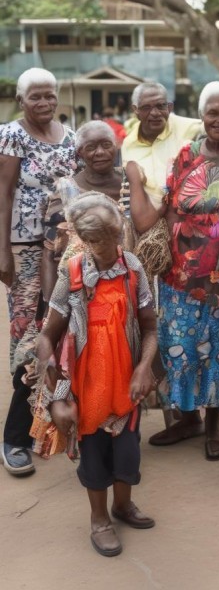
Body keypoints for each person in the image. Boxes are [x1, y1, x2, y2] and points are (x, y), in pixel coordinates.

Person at [35, 194, 157, 557]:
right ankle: (99, 519)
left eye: (114, 238)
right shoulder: (71, 274)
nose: (110, 249)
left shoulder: (133, 269)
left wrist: (144, 366)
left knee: (127, 453)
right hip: (86, 390)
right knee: (94, 458)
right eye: (99, 242)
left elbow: (150, 329)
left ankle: (122, 506)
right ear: (84, 241)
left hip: (126, 387)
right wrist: (58, 396)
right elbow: (46, 337)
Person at [146, 81, 219, 459]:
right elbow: (171, 209)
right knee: (180, 350)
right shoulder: (184, 155)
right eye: (213, 111)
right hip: (181, 274)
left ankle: (213, 426)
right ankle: (187, 418)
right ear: (201, 114)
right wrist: (170, 255)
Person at [0, 67, 77, 477]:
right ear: (21, 100)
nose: (44, 104)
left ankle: (48, 424)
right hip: (27, 251)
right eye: (36, 98)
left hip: (66, 250)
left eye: (50, 96)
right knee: (31, 337)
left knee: (64, 333)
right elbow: (4, 193)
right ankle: (14, 438)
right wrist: (3, 254)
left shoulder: (72, 137)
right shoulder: (11, 134)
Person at [42, 121, 157, 302]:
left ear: (116, 147)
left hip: (132, 287)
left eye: (106, 145)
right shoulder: (66, 191)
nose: (100, 152)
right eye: (91, 147)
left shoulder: (133, 181)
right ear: (80, 152)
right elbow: (50, 251)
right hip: (84, 292)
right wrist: (50, 303)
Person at [121, 81, 203, 209]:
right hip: (148, 218)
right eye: (146, 107)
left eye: (160, 106)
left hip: (184, 213)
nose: (155, 113)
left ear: (169, 108)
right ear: (135, 110)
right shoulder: (129, 144)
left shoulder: (189, 127)